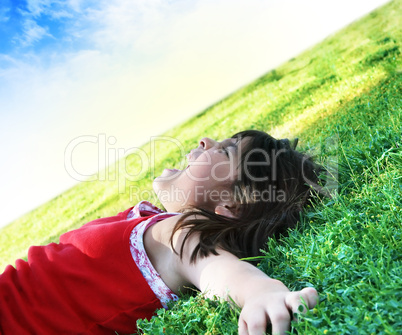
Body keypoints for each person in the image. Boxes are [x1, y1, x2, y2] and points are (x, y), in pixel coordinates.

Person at [0, 130, 322, 335]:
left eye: (224, 151)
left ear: (232, 204)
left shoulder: (179, 234)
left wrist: (261, 293)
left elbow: (216, 267)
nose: (205, 141)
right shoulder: (155, 221)